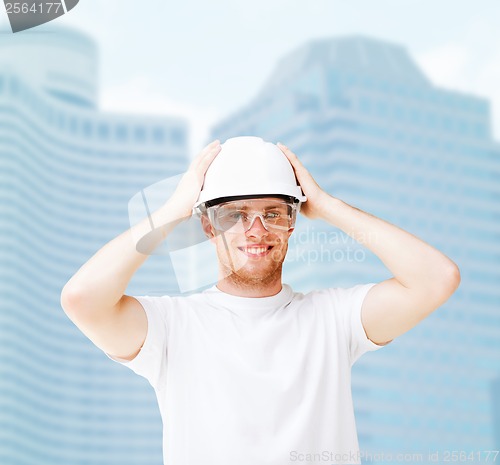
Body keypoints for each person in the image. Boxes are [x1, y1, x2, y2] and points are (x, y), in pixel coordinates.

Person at [61, 136, 460, 465]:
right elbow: (82, 299)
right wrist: (172, 211)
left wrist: (330, 207)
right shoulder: (172, 325)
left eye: (274, 213)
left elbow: (437, 279)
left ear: (293, 223)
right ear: (207, 225)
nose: (257, 230)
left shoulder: (333, 318)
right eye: (235, 214)